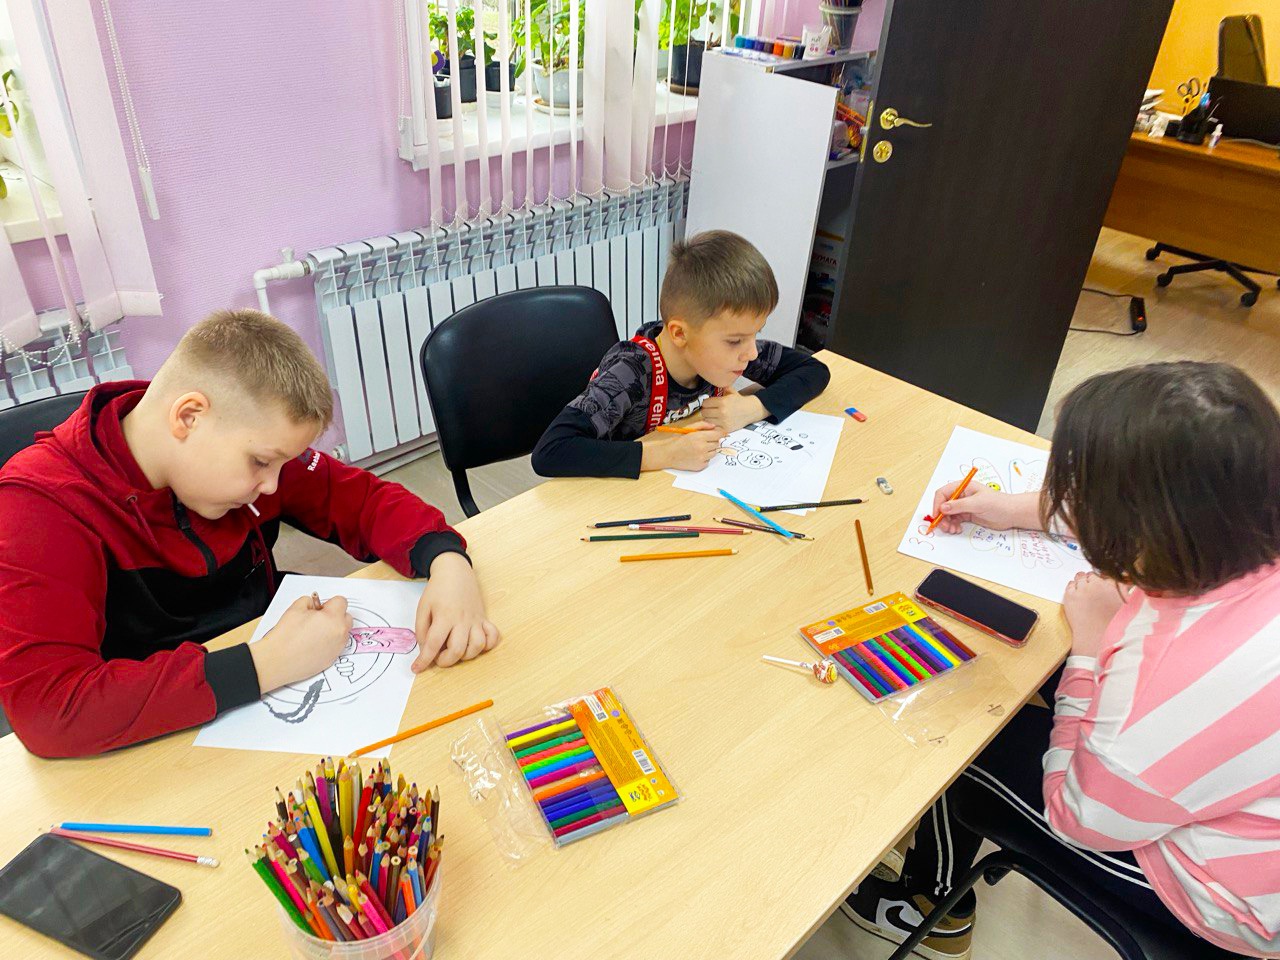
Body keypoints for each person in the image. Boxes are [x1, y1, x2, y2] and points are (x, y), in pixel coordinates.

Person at [845, 362, 1280, 959]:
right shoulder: (1244, 522)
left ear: (1141, 525)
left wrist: (1089, 651)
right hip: (1230, 803)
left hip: (1228, 900)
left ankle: (927, 901)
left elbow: (1081, 815)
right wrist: (1013, 508)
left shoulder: (1170, 674)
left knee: (967, 742)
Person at [0, 309, 499, 758]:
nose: (274, 485)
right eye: (261, 462)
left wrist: (447, 561)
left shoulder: (245, 440)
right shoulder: (37, 506)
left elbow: (362, 500)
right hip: (155, 740)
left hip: (270, 698)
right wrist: (265, 664)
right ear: (188, 417)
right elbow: (50, 709)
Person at [532, 230, 830, 478]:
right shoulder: (630, 374)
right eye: (736, 341)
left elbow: (814, 371)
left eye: (755, 334)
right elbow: (550, 452)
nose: (751, 353)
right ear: (679, 334)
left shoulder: (710, 350)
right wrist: (666, 453)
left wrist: (754, 408)